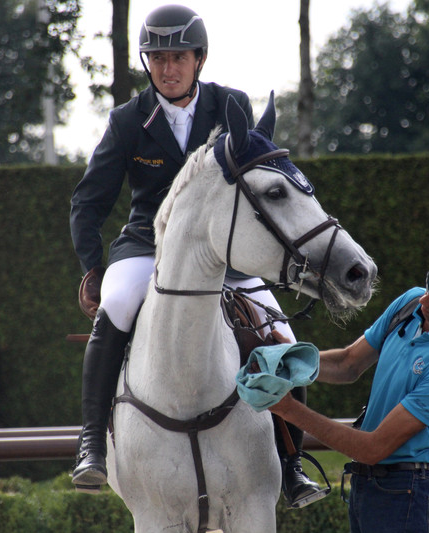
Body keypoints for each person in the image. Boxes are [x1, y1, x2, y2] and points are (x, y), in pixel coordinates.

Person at [69, 4, 324, 506]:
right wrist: (93, 270)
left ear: (199, 59)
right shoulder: (127, 121)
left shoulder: (230, 106)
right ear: (147, 63)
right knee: (118, 306)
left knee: (281, 333)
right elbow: (87, 202)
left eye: (178, 57)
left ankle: (291, 463)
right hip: (148, 243)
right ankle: (92, 442)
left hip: (223, 250)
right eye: (157, 58)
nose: (167, 68)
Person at [268, 247, 429, 533]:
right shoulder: (412, 302)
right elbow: (348, 363)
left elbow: (371, 449)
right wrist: (292, 359)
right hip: (369, 482)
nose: (424, 301)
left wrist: (289, 409)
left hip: (407, 492)